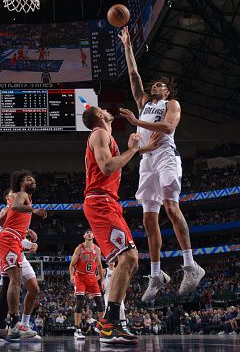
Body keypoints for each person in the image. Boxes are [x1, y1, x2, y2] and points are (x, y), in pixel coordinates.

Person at [118, 25, 205, 302]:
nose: (154, 86)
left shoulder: (172, 105)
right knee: (147, 218)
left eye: (160, 85)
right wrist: (128, 46)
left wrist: (135, 122)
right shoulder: (143, 101)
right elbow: (133, 75)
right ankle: (156, 274)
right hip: (147, 159)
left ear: (167, 92)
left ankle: (191, 266)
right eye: (153, 84)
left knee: (171, 206)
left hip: (166, 155)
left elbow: (167, 128)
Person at [81, 104, 160, 344]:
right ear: (98, 115)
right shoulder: (99, 133)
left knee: (130, 262)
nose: (107, 109)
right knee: (129, 258)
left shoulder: (105, 136)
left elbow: (111, 162)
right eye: (102, 108)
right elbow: (107, 167)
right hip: (100, 201)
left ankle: (110, 321)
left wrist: (139, 149)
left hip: (107, 202)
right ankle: (109, 324)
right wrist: (133, 150)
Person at [0, 171, 47, 341]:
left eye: (33, 179)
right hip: (9, 239)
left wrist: (24, 231)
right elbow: (16, 207)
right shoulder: (22, 195)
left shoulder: (21, 199)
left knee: (23, 285)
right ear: (21, 184)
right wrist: (35, 210)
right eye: (28, 179)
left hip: (14, 239)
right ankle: (16, 323)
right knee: (14, 282)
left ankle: (12, 325)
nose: (32, 181)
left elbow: (0, 222)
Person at [69, 229, 104, 340]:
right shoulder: (80, 248)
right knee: (80, 302)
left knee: (100, 303)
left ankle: (103, 329)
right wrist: (72, 276)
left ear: (93, 235)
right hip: (80, 276)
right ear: (84, 235)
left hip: (92, 277)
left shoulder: (97, 249)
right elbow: (71, 265)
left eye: (91, 232)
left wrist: (102, 280)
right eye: (87, 232)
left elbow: (99, 266)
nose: (89, 233)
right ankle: (77, 329)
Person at [103, 261, 128, 331]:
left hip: (118, 292)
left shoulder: (118, 270)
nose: (111, 263)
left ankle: (124, 327)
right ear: (107, 263)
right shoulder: (105, 270)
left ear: (115, 262)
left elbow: (122, 282)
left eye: (112, 261)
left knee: (122, 308)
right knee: (107, 309)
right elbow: (96, 278)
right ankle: (106, 327)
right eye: (109, 262)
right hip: (108, 292)